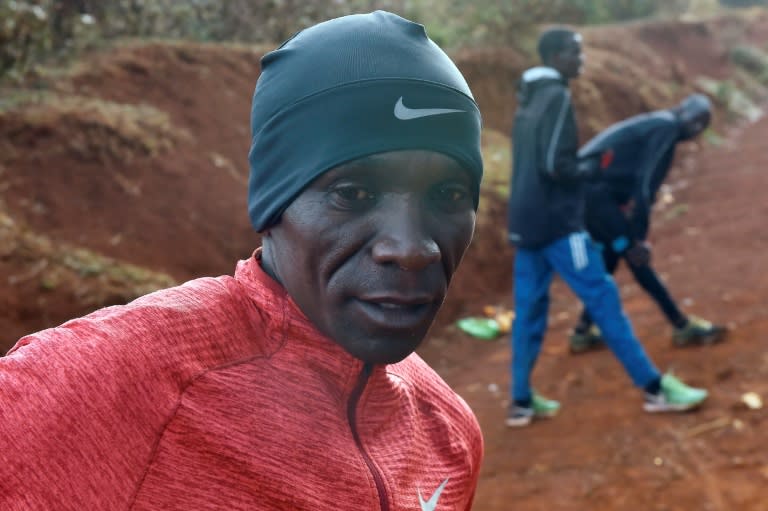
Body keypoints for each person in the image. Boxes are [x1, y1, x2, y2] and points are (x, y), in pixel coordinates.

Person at [0, 11, 484, 510]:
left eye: (448, 194)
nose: (410, 248)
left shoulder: (445, 431)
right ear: (275, 203)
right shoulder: (115, 384)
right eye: (352, 192)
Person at [505, 27, 709, 428]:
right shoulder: (557, 96)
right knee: (603, 297)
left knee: (529, 311)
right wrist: (592, 167)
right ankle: (655, 389)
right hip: (560, 224)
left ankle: (521, 402)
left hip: (524, 222)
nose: (581, 60)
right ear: (557, 56)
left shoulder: (527, 100)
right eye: (575, 53)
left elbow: (533, 163)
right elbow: (556, 166)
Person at [569, 94, 727, 353]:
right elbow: (644, 184)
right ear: (685, 113)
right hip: (592, 192)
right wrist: (638, 237)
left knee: (611, 256)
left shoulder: (660, 125)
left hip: (588, 192)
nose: (697, 129)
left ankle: (581, 332)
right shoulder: (666, 127)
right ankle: (681, 325)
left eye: (703, 125)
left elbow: (639, 184)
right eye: (697, 121)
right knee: (634, 254)